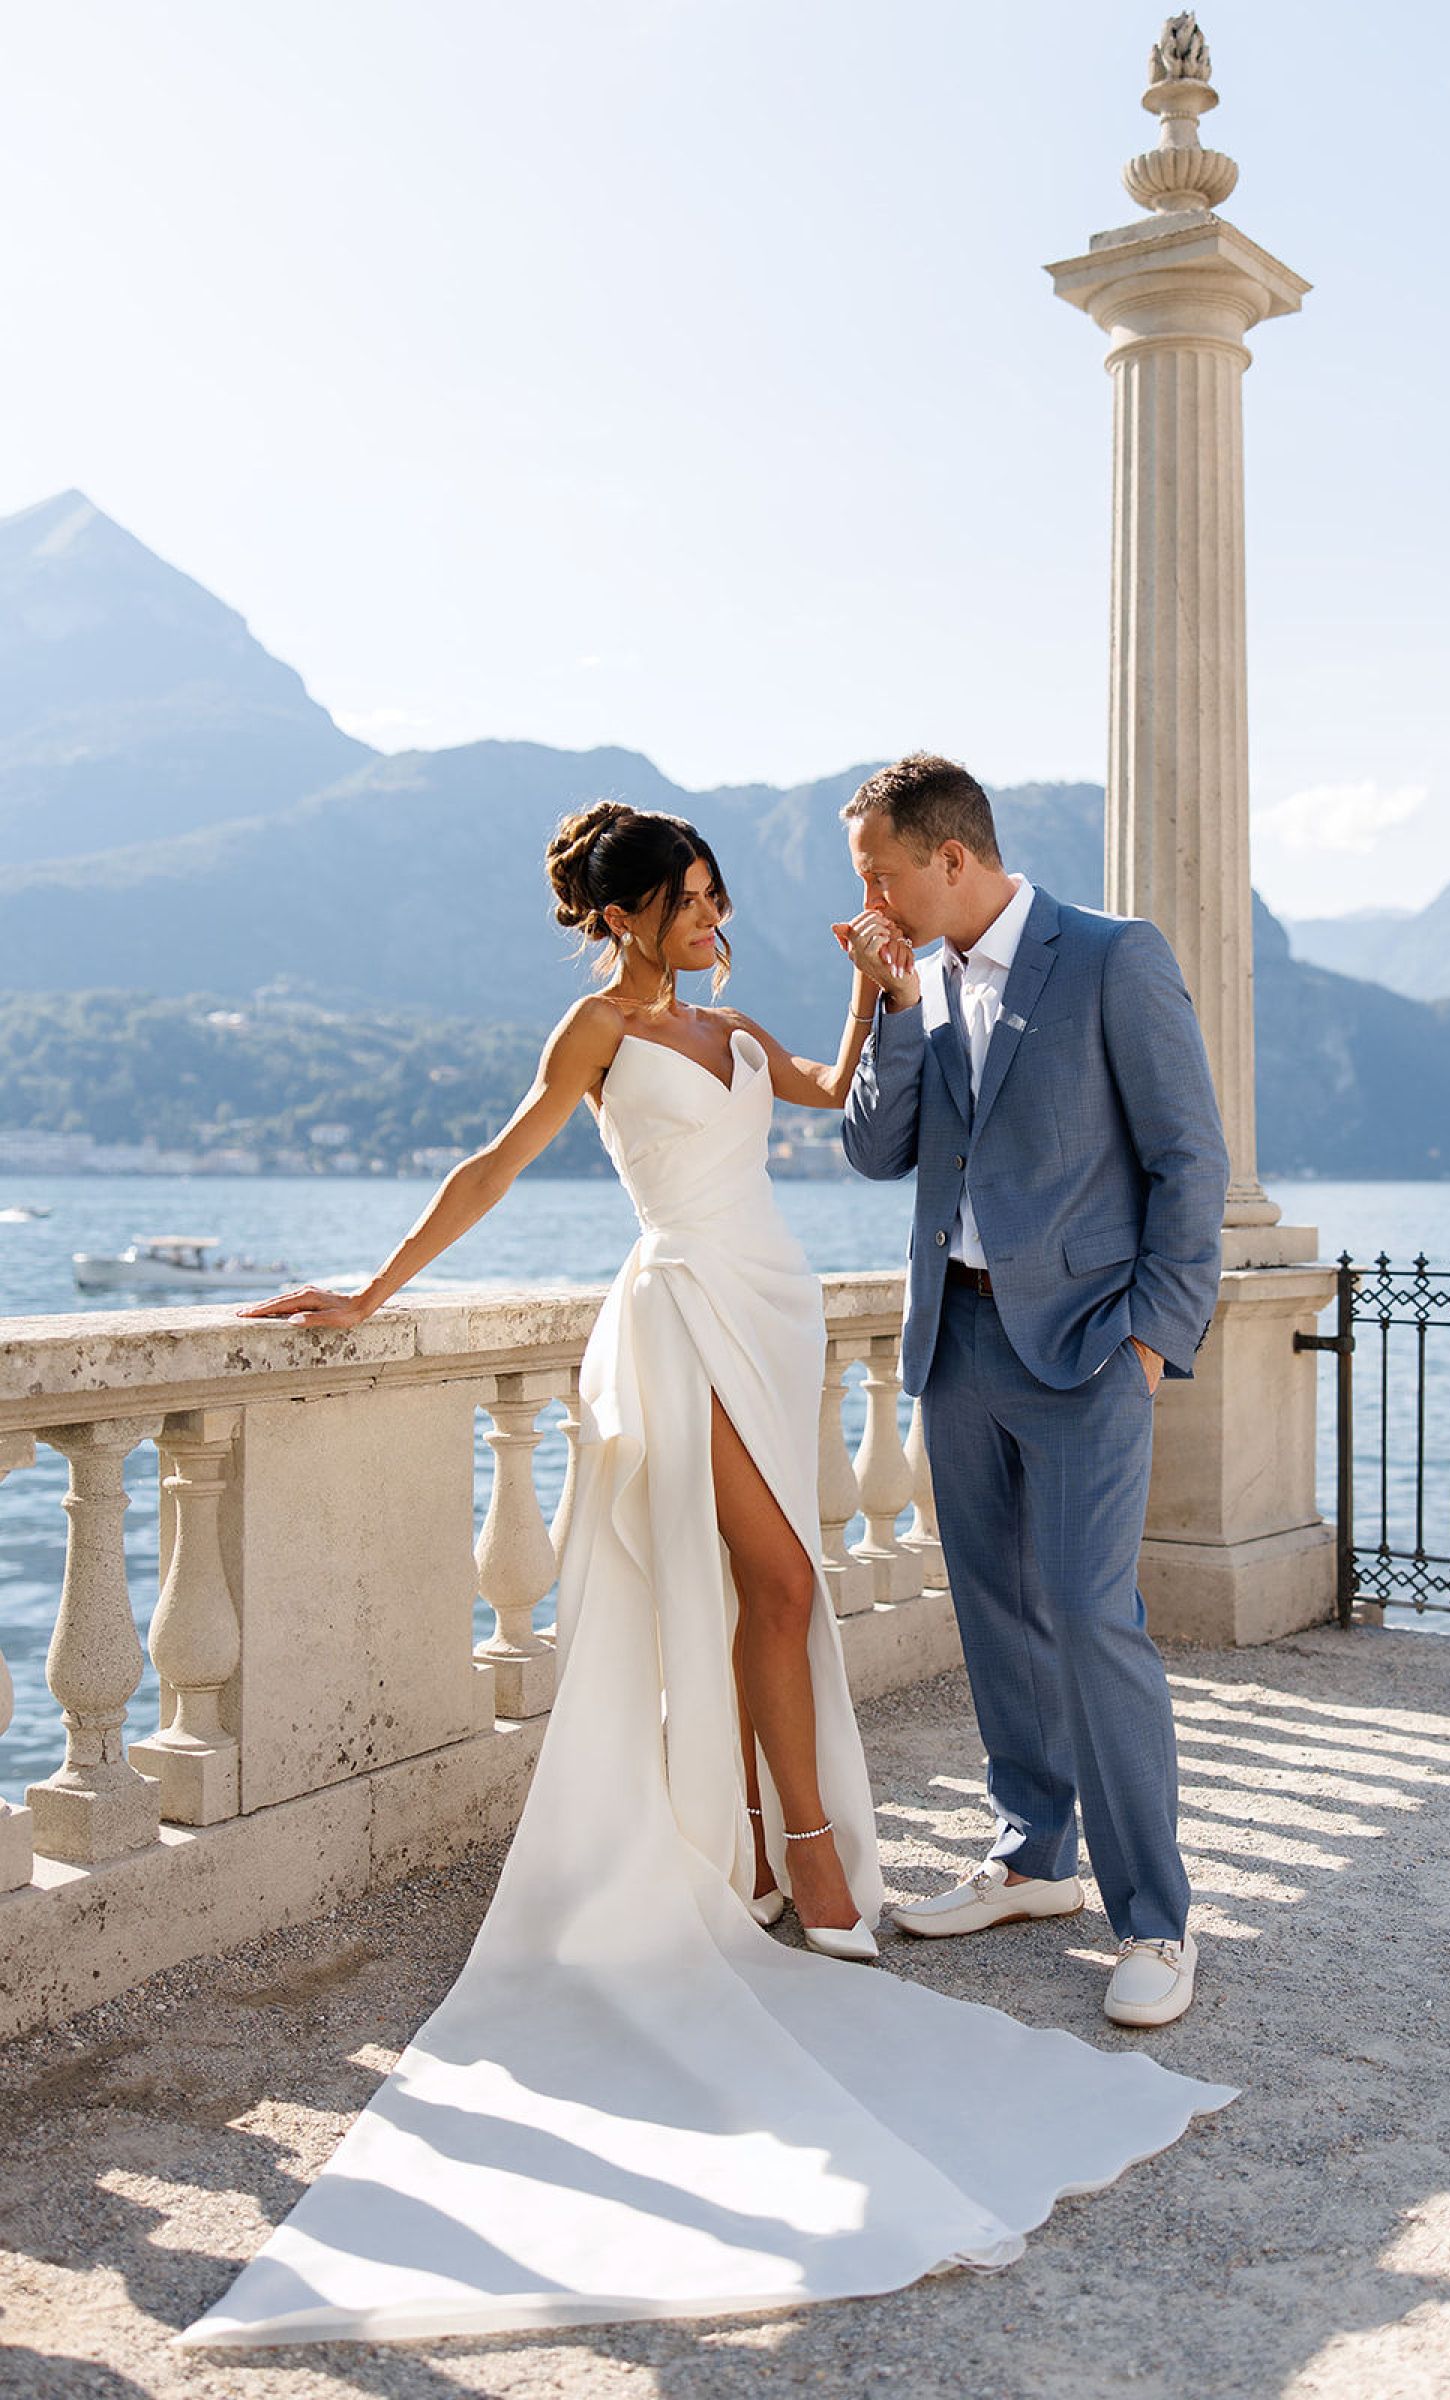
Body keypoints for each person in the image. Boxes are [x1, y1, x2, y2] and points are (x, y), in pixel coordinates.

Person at [178, 800, 1232, 2350]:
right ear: (621, 919)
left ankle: (792, 1856)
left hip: (776, 1304)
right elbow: (493, 1163)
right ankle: (804, 1857)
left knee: (769, 1590)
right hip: (683, 1319)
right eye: (685, 901)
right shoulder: (596, 1029)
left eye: (713, 896)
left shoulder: (738, 1024)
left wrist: (875, 993)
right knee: (780, 1587)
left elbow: (828, 1100)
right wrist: (375, 1286)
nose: (711, 916)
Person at [838, 754, 1229, 2031]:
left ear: (951, 858)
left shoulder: (1113, 957)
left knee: (1087, 1613)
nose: (873, 900)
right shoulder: (927, 979)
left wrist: (1154, 1338)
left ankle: (1158, 1921)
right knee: (999, 1613)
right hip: (958, 1342)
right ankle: (1032, 1859)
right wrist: (889, 1004)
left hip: (1086, 1351)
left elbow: (1188, 1159)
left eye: (883, 874)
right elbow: (872, 1150)